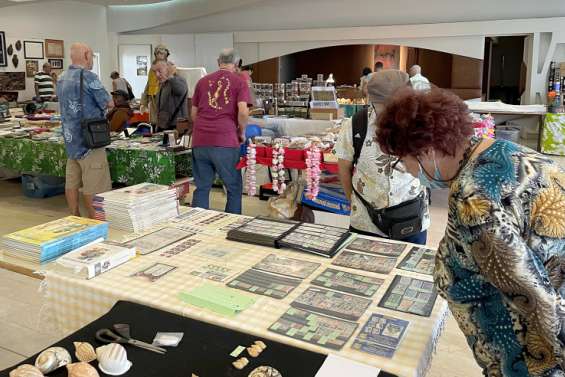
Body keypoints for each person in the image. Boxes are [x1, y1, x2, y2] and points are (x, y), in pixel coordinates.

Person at [376, 87, 565, 377]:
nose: (409, 171)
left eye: (404, 161)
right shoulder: (499, 150)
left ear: (427, 151)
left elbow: (536, 302)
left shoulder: (473, 199)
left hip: (530, 357)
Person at [335, 70, 429, 245]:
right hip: (366, 222)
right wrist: (354, 202)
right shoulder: (355, 125)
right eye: (386, 106)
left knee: (408, 270)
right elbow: (344, 168)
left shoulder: (420, 123)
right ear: (372, 100)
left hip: (412, 217)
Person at [191, 48, 251, 214]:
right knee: (233, 187)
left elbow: (193, 114)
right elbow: (243, 112)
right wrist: (241, 132)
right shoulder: (239, 82)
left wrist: (204, 130)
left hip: (200, 140)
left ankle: (196, 226)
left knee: (202, 187)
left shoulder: (202, 82)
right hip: (225, 140)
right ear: (237, 64)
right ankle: (230, 226)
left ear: (218, 62)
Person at [57, 43, 113, 219]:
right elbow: (108, 103)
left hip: (71, 139)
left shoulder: (61, 77)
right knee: (95, 185)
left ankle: (74, 217)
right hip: (91, 140)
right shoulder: (89, 77)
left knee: (72, 181)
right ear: (87, 55)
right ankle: (96, 223)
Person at [153, 60, 188, 131]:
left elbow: (180, 90)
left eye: (159, 71)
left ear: (169, 69)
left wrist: (170, 75)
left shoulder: (179, 80)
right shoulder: (163, 83)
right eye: (155, 72)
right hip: (163, 125)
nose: (157, 74)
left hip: (175, 127)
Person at [141, 44, 169, 124]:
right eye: (158, 53)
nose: (159, 55)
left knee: (164, 121)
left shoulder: (169, 67)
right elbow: (148, 84)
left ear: (166, 54)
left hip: (164, 98)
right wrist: (143, 102)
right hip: (152, 96)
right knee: (153, 121)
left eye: (162, 53)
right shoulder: (152, 68)